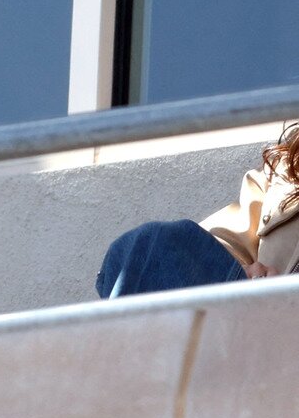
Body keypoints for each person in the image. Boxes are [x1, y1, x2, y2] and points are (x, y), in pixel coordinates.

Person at [96, 123, 299, 298]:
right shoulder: (286, 171)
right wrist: (247, 275)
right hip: (257, 319)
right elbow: (218, 247)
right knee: (146, 248)